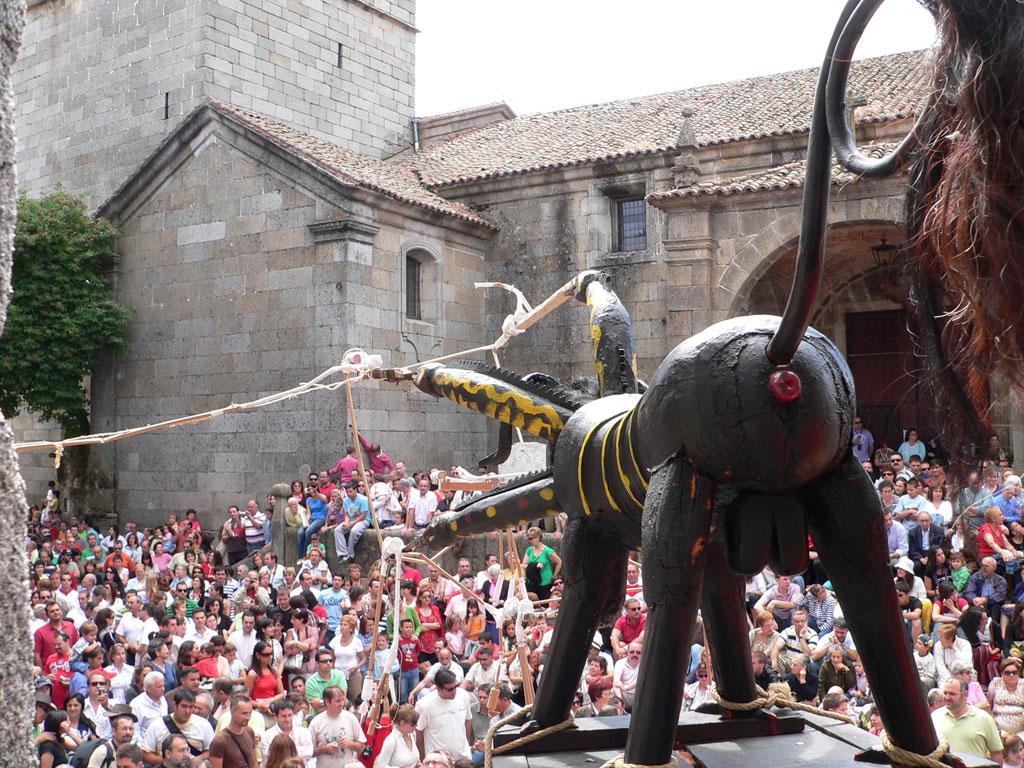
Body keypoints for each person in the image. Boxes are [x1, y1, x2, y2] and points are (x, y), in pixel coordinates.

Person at [932, 677, 1003, 762]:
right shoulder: (935, 716)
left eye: (952, 694)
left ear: (965, 695)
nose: (947, 697)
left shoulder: (984, 718)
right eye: (945, 693)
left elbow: (996, 753)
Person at [415, 669, 472, 762]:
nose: (454, 691)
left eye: (456, 686)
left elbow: (467, 720)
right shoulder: (424, 705)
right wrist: (423, 759)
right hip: (438, 762)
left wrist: (467, 745)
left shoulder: (463, 696)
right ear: (438, 688)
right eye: (450, 689)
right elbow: (418, 732)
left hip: (463, 758)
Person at [143, 689, 215, 763]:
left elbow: (211, 751)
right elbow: (146, 753)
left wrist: (193, 762)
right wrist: (169, 762)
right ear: (174, 704)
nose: (187, 711)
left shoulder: (204, 725)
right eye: (184, 706)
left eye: (191, 707)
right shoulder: (156, 725)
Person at [309, 686, 366, 767]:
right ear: (327, 702)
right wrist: (325, 748)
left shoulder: (351, 718)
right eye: (337, 701)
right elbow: (309, 752)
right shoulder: (316, 722)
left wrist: (350, 743)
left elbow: (361, 747)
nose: (341, 704)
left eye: (343, 700)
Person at [209, 695, 258, 768]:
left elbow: (254, 764)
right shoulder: (220, 740)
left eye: (250, 713)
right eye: (244, 713)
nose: (248, 717)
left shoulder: (249, 731)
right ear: (232, 712)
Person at [260, 698, 314, 765]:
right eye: (284, 716)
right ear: (275, 716)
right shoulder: (267, 736)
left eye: (290, 715)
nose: (287, 719)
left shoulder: (304, 732)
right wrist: (301, 749)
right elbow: (271, 758)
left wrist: (280, 751)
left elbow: (309, 752)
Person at [375, 704, 420, 768]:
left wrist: (417, 764)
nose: (416, 725)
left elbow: (413, 758)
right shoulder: (391, 741)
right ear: (402, 723)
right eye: (413, 723)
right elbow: (381, 766)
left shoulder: (412, 734)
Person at [522, 527, 561, 601]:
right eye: (528, 539)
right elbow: (524, 565)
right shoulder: (529, 550)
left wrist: (554, 577)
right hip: (532, 582)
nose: (529, 541)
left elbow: (559, 562)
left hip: (545, 582)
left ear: (537, 537)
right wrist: (535, 566)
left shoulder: (547, 551)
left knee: (544, 602)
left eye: (531, 539)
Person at [987, 656, 1024, 734]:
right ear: (1002, 674)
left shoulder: (1023, 684)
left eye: (1014, 672)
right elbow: (988, 704)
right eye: (1007, 672)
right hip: (998, 728)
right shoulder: (996, 682)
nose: (1011, 675)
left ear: (1018, 673)